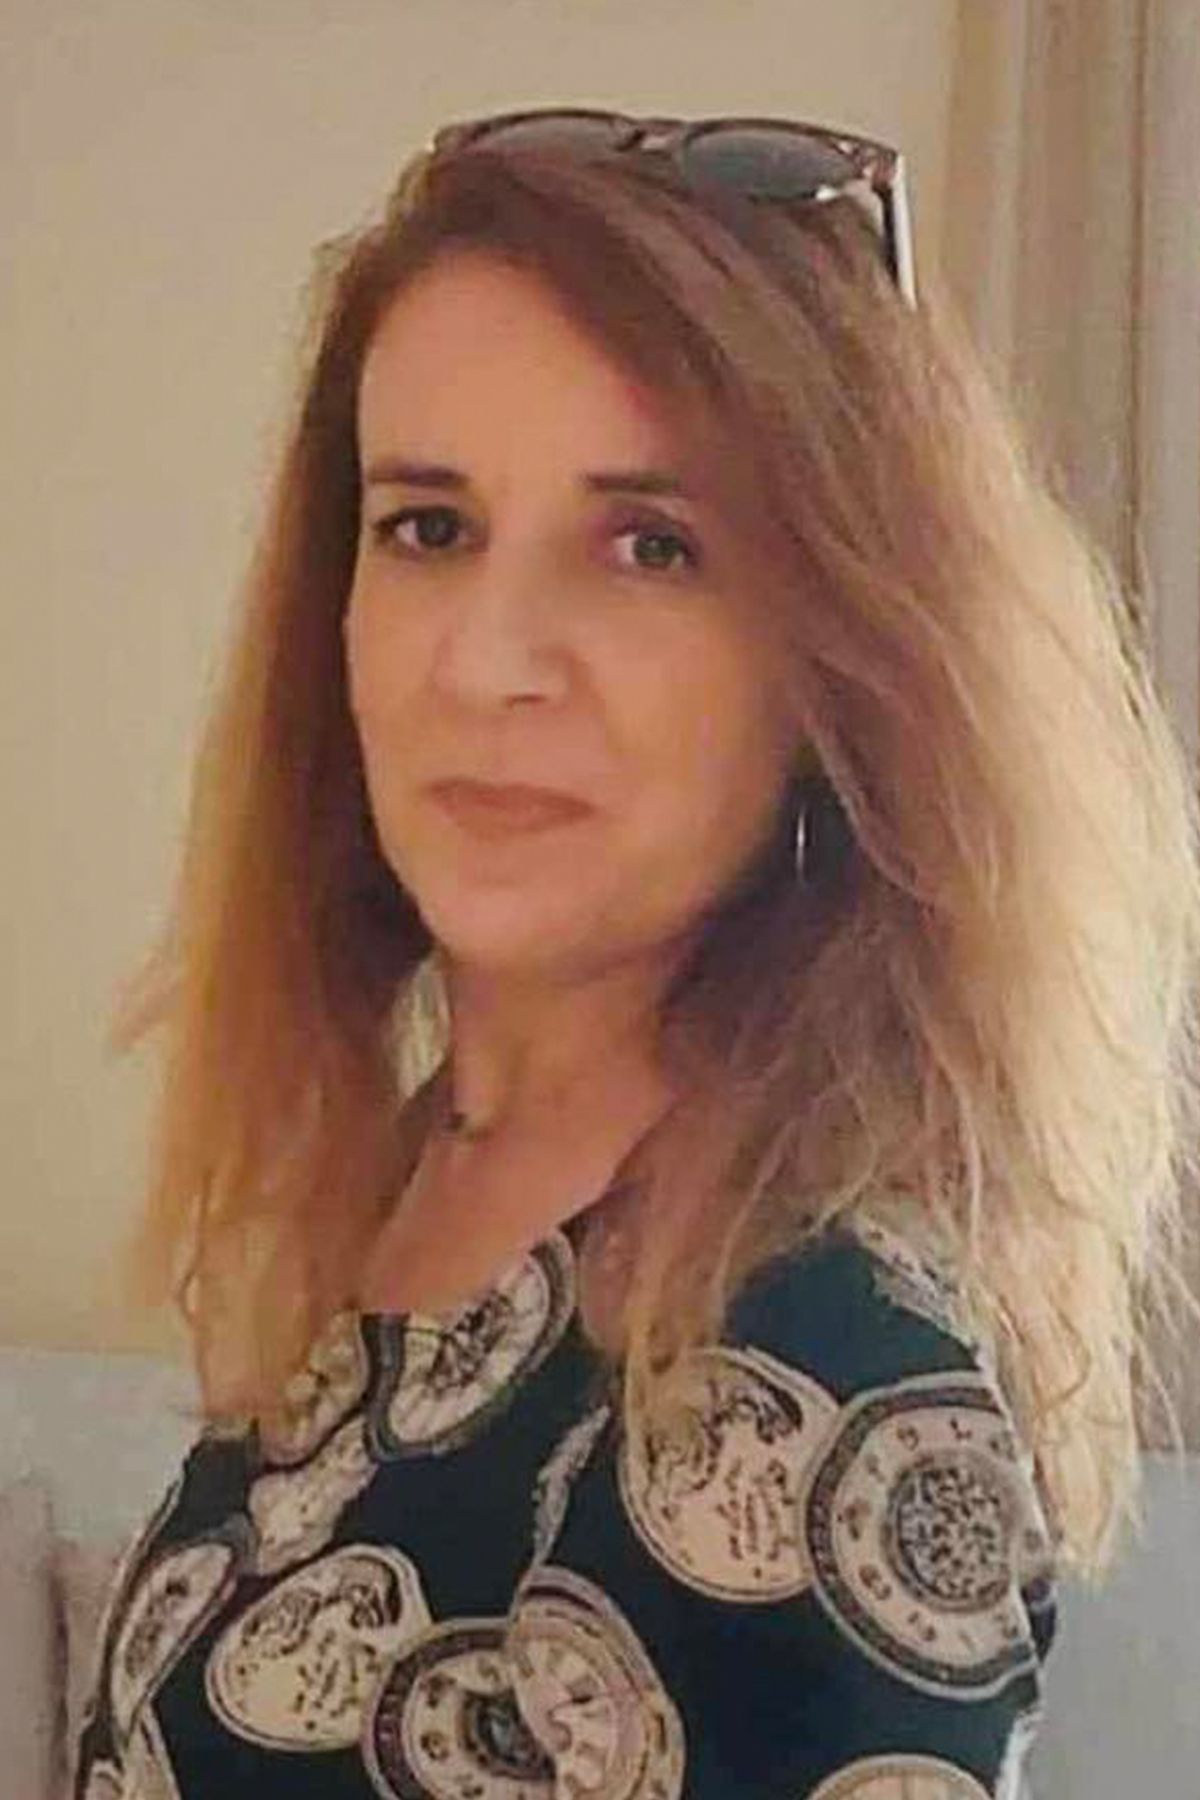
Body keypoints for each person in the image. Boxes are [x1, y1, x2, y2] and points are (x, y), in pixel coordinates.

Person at [77, 109, 1200, 1799]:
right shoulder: (422, 1182)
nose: (490, 661)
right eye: (428, 527)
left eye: (651, 546)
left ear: (838, 662)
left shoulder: (807, 1370)